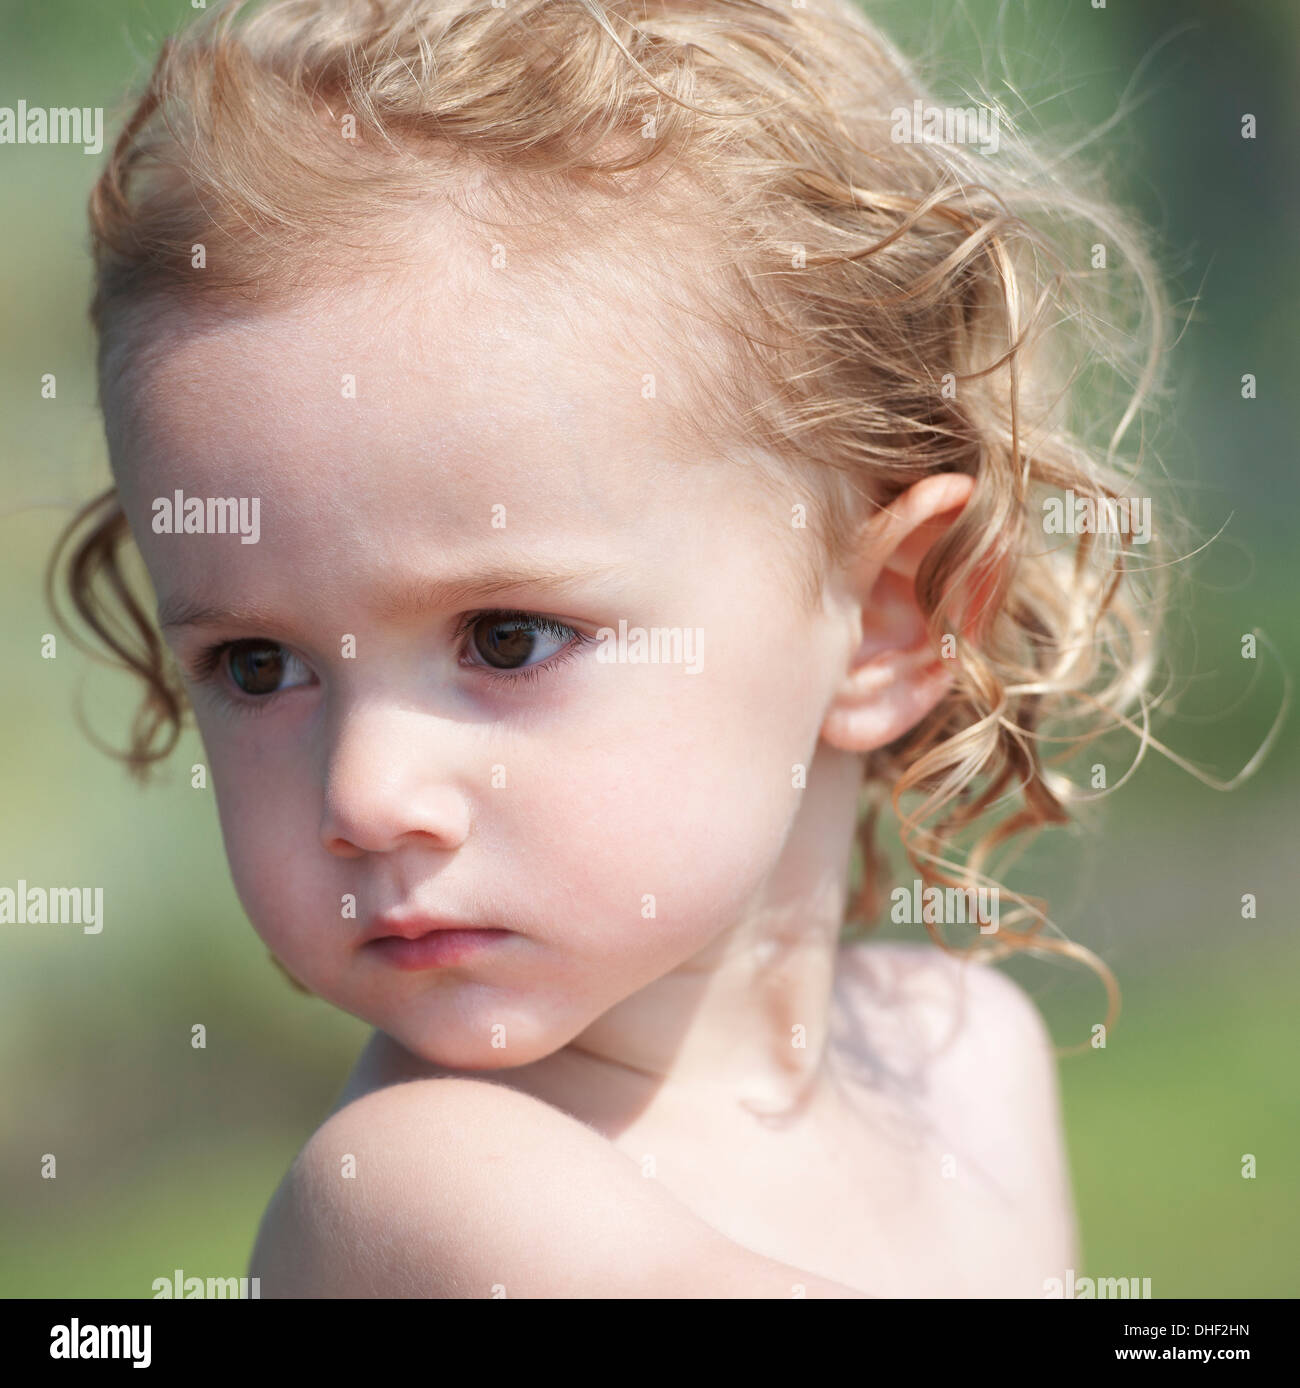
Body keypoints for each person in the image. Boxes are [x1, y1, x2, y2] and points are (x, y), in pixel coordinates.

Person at [50, 0, 1171, 1297]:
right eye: (257, 664)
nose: (366, 794)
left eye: (506, 638)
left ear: (884, 622)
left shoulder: (966, 1060)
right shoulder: (423, 1191)